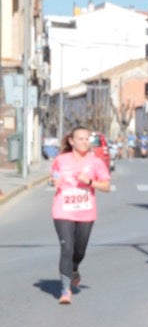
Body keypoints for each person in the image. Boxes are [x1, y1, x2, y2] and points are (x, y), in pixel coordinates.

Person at [49, 127, 112, 305]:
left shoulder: (95, 162)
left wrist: (90, 182)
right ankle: (65, 290)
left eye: (87, 139)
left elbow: (106, 186)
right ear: (72, 141)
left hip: (86, 211)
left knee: (79, 250)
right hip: (63, 209)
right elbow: (54, 174)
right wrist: (55, 180)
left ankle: (74, 268)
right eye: (80, 139)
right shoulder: (61, 160)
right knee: (66, 248)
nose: (85, 142)